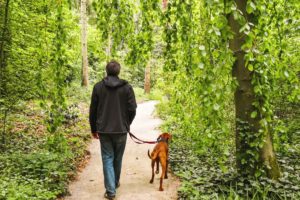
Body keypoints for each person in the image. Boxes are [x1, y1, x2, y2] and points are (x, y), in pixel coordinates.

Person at [89, 60, 137, 200]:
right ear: (119, 71)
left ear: (106, 70)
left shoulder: (98, 87)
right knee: (117, 158)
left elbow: (93, 110)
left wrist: (94, 128)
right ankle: (113, 185)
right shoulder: (127, 87)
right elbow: (132, 109)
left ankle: (111, 190)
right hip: (121, 130)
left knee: (107, 158)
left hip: (104, 130)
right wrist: (127, 124)